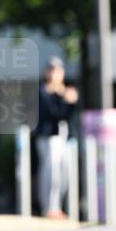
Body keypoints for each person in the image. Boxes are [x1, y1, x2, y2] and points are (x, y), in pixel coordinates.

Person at [33, 57, 78, 218]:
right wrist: (67, 101)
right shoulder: (43, 91)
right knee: (51, 173)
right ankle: (50, 208)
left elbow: (67, 116)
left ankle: (58, 205)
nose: (54, 74)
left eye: (58, 71)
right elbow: (54, 113)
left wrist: (70, 102)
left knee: (65, 174)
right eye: (51, 70)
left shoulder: (63, 92)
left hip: (64, 137)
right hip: (48, 137)